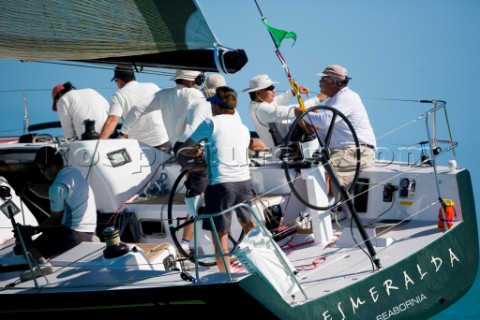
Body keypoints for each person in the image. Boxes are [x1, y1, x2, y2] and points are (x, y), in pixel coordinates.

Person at [178, 86, 255, 272]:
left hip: (221, 186)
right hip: (244, 183)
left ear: (218, 106)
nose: (211, 108)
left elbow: (185, 148)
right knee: (250, 227)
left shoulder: (210, 123)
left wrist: (198, 152)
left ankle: (225, 275)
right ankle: (261, 264)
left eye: (212, 104)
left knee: (219, 234)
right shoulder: (243, 128)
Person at [294, 64, 376, 216]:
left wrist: (303, 114)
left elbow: (325, 120)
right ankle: (326, 211)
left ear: (332, 81)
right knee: (314, 167)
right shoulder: (332, 102)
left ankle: (317, 214)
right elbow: (324, 134)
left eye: (323, 79)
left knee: (321, 171)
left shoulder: (347, 97)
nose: (319, 83)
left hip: (356, 151)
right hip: (344, 151)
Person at [18, 146, 98, 281]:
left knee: (30, 246)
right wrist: (29, 187)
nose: (43, 174)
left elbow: (55, 218)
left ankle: (42, 265)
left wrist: (32, 230)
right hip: (89, 230)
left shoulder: (57, 186)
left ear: (53, 166)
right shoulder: (72, 172)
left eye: (43, 170)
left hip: (74, 234)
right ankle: (90, 239)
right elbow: (51, 191)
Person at [118, 69, 205, 148]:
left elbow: (136, 109)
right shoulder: (195, 94)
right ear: (189, 80)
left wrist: (122, 133)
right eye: (200, 80)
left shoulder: (163, 94)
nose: (200, 84)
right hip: (195, 148)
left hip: (176, 148)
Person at [244, 74, 325, 151]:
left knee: (311, 113)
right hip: (284, 147)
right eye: (270, 88)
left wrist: (294, 91)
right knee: (308, 112)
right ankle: (321, 143)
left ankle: (318, 141)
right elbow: (294, 110)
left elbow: (278, 100)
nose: (274, 90)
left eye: (273, 87)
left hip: (288, 137)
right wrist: (318, 99)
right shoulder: (261, 109)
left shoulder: (257, 103)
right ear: (258, 93)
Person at [99, 65, 170, 152]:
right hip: (163, 141)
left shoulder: (118, 96)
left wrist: (99, 145)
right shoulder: (152, 86)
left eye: (116, 81)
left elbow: (112, 120)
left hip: (140, 147)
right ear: (133, 76)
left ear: (119, 80)